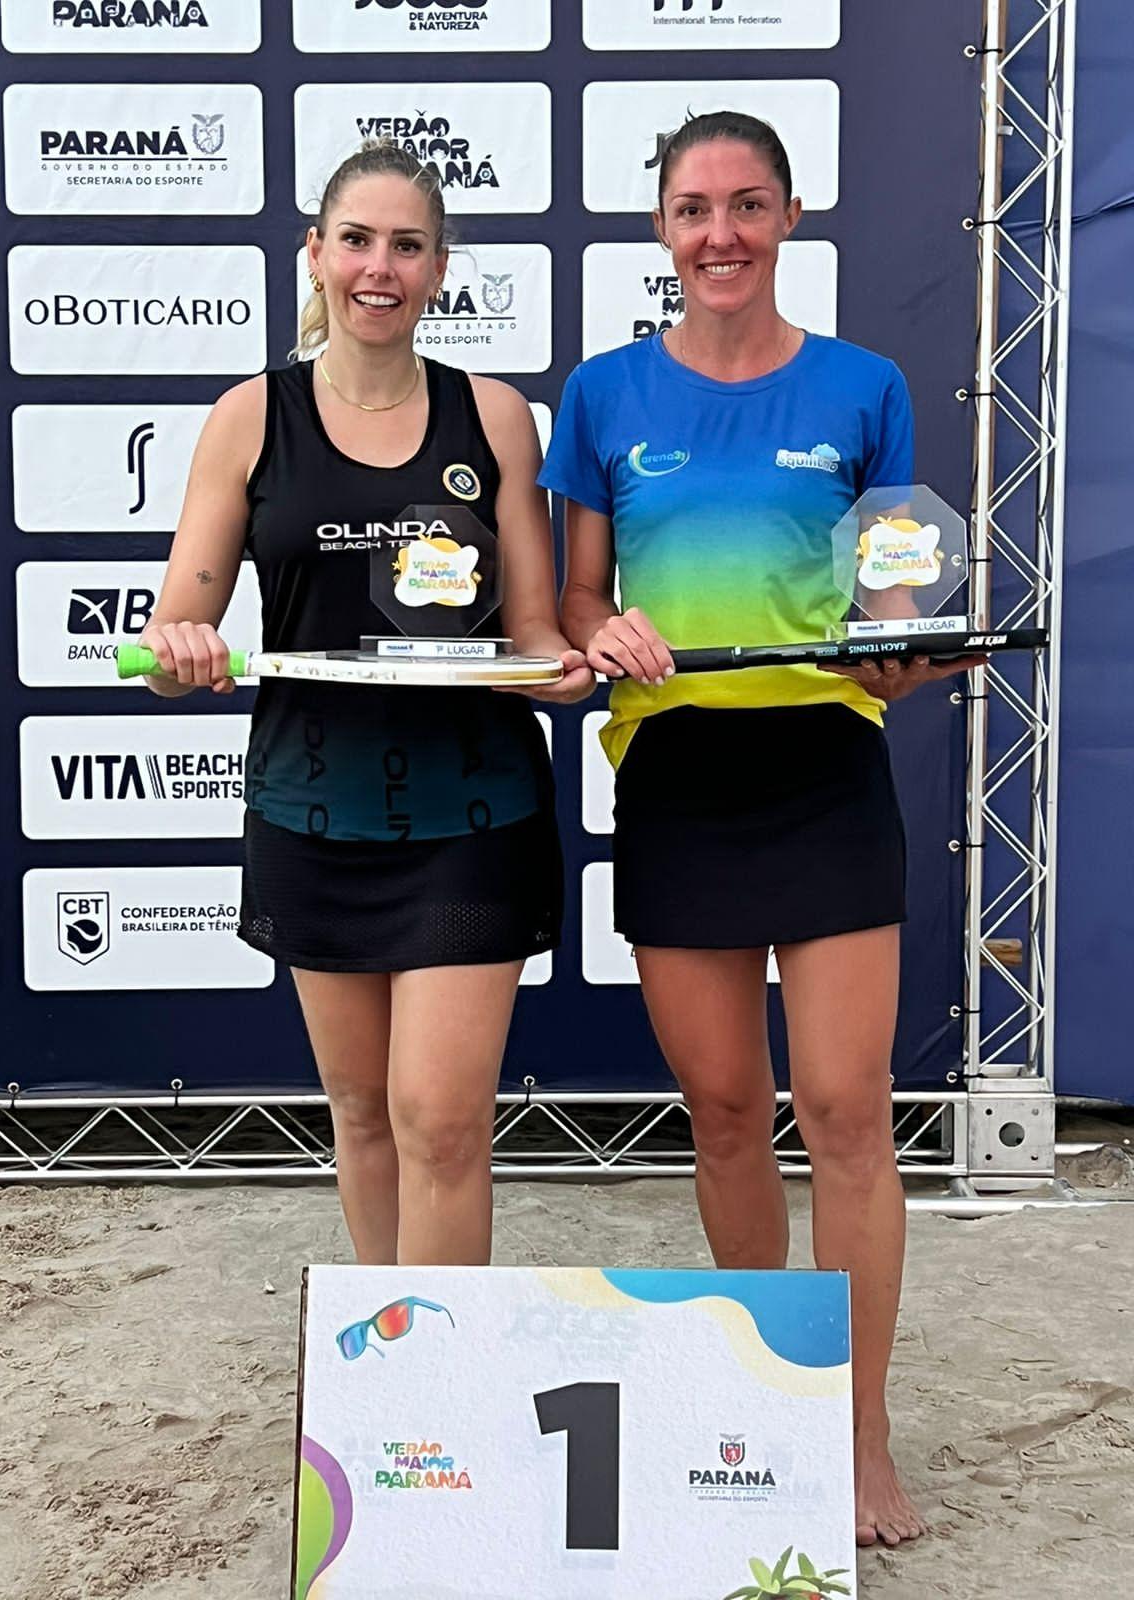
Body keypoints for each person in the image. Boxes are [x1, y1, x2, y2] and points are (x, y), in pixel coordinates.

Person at [542, 111, 986, 1547]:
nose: (719, 232)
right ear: (660, 229)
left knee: (852, 1119)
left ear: (790, 217)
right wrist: (604, 632)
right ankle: (766, 1418)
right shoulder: (604, 397)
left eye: (746, 204)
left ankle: (855, 1441)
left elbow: (892, 592)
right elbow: (569, 606)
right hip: (678, 778)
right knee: (729, 1113)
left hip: (825, 770)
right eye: (691, 208)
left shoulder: (866, 387)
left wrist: (898, 650)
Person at [138, 140, 593, 1267]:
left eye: (406, 245)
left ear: (440, 269)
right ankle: (397, 1393)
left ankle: (447, 1389)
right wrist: (180, 648)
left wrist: (558, 669)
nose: (377, 267)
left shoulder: (492, 418)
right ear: (316, 253)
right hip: (313, 812)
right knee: (361, 1116)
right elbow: (170, 632)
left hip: (474, 819)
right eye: (356, 240)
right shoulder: (250, 417)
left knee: (440, 1120)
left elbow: (534, 633)